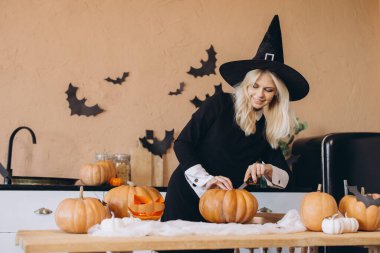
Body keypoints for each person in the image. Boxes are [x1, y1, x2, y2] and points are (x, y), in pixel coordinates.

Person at [160, 15, 310, 253]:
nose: (260, 94)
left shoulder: (267, 129)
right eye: (255, 86)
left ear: (277, 95)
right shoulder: (219, 103)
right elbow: (183, 143)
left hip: (225, 211)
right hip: (186, 195)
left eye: (268, 90)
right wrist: (208, 180)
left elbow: (286, 179)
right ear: (246, 85)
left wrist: (268, 170)